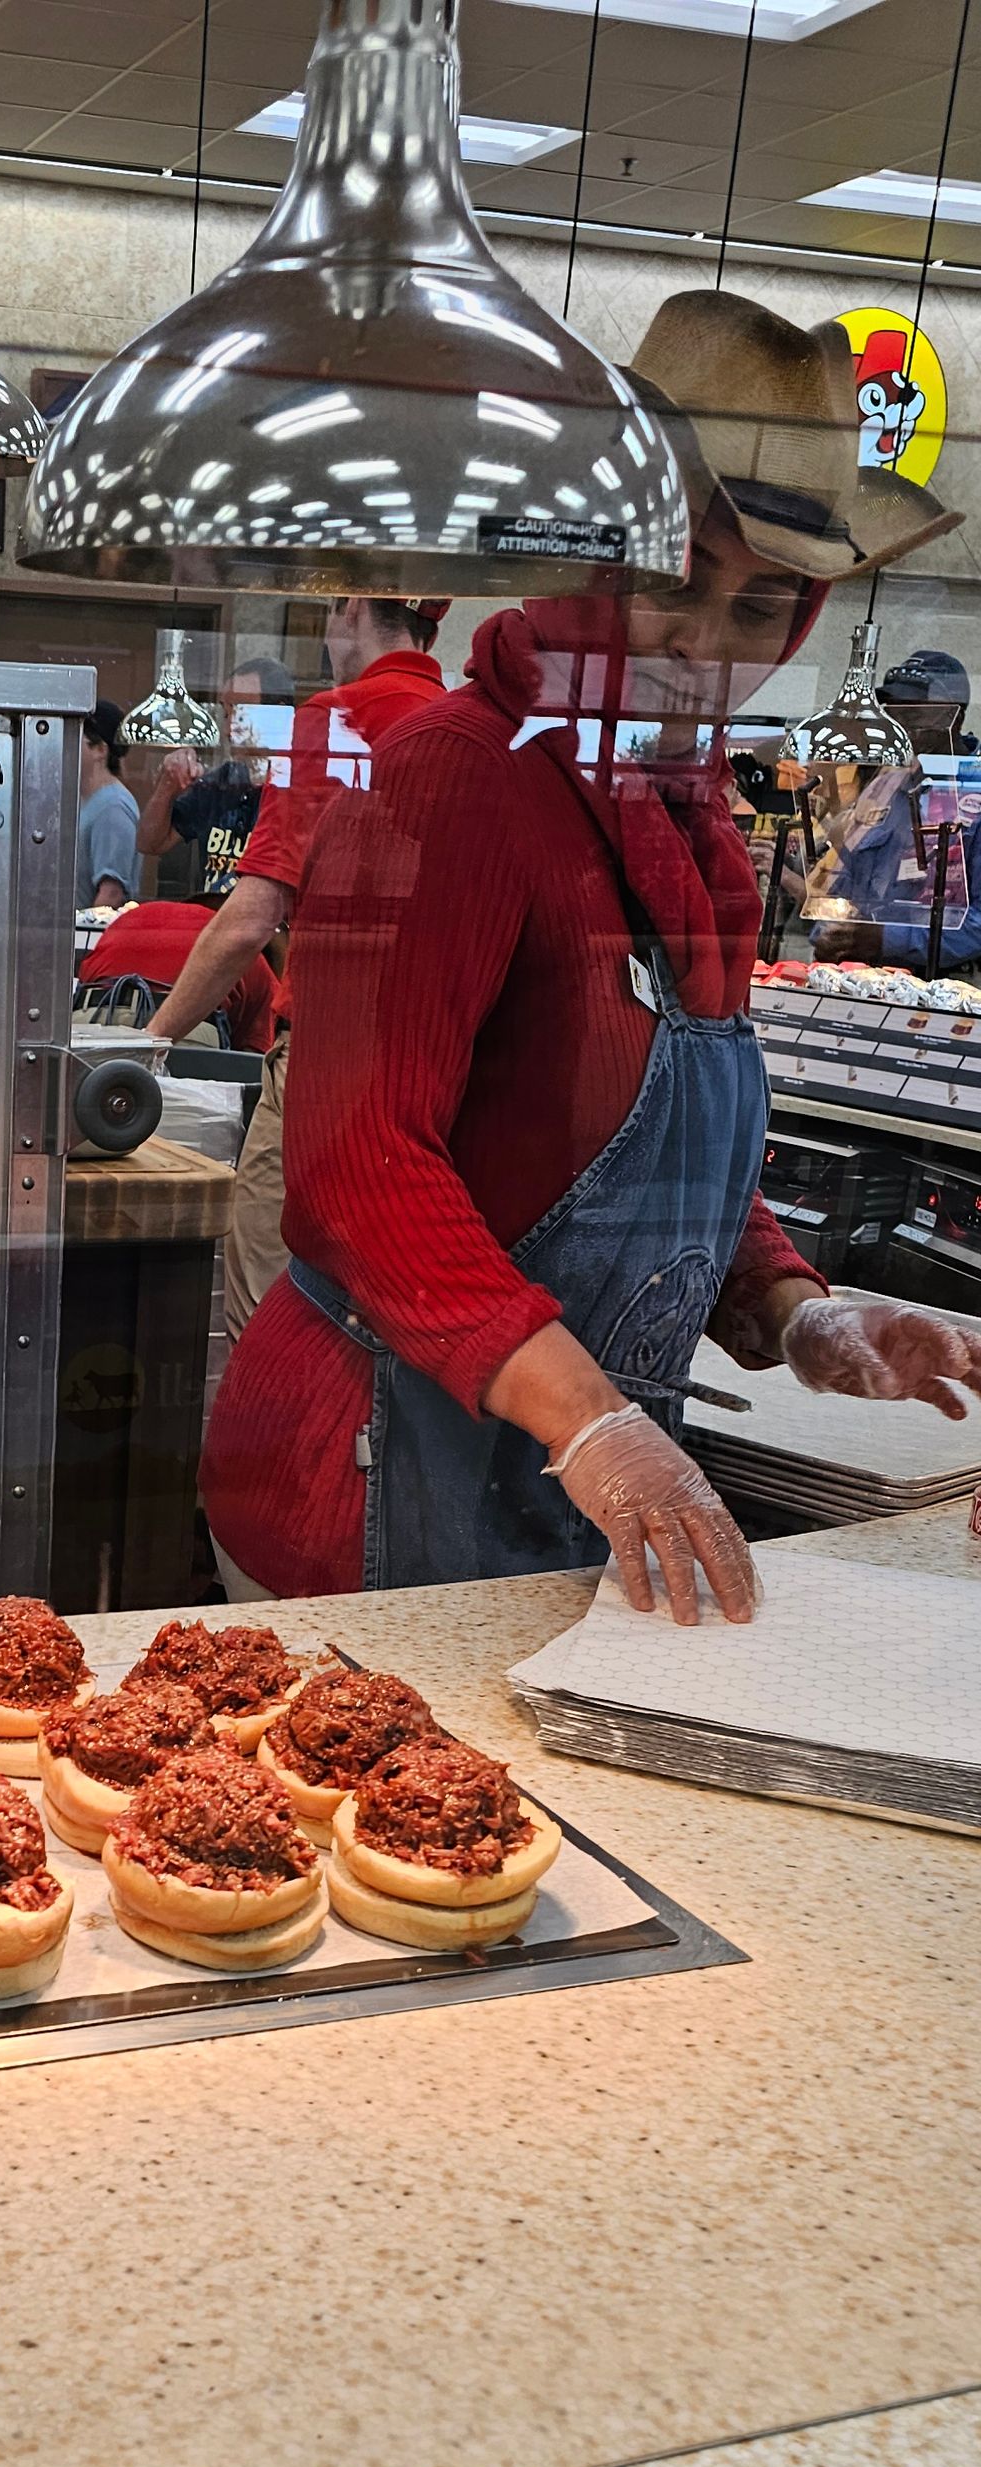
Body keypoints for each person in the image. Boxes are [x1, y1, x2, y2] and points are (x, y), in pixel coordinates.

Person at [200, 287, 981, 1625]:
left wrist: (793, 1307)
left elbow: (642, 1159)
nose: (701, 646)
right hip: (367, 1476)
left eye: (761, 606)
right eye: (675, 582)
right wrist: (591, 1418)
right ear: (592, 557)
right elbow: (359, 1166)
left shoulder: (684, 818)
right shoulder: (451, 778)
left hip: (552, 1476)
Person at [143, 599, 451, 1332]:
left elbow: (252, 918)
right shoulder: (464, 727)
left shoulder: (332, 722)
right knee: (387, 1302)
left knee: (267, 1290)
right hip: (441, 1062)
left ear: (350, 610)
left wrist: (148, 1040)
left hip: (330, 1055)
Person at [807, 647, 981, 970]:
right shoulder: (884, 784)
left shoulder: (974, 791)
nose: (899, 722)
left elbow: (978, 924)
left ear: (952, 716)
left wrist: (886, 939)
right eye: (894, 711)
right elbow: (844, 878)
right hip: (861, 975)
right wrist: (830, 928)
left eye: (913, 711)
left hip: (944, 985)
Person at [135, 654, 298, 898]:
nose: (229, 729)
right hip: (211, 917)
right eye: (226, 714)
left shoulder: (301, 789)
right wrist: (167, 787)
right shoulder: (220, 783)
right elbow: (150, 843)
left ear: (279, 715)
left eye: (241, 712)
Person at [76, 894, 280, 1051]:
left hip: (94, 1014)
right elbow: (253, 1057)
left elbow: (87, 977)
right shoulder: (249, 954)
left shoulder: (139, 915)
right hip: (187, 1032)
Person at [75, 703, 140, 911]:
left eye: (75, 738)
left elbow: (111, 895)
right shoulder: (84, 801)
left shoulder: (112, 808)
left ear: (100, 750)